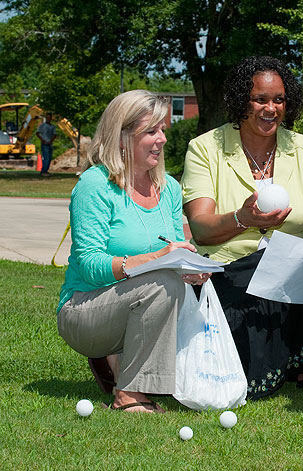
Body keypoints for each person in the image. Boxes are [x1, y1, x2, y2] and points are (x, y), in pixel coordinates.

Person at [181, 56, 303, 400]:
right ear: (240, 101)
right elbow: (201, 228)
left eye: (278, 99)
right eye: (260, 99)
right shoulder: (205, 148)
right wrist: (242, 219)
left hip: (295, 266)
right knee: (252, 293)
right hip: (231, 270)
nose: (271, 108)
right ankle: (298, 364)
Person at [57, 90, 210, 413]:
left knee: (173, 281)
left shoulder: (168, 187)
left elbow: (171, 250)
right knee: (164, 284)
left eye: (163, 130)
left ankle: (118, 362)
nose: (163, 140)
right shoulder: (95, 185)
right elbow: (89, 265)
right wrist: (159, 260)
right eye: (151, 131)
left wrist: (190, 268)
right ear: (122, 136)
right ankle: (129, 393)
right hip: (83, 308)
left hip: (135, 302)